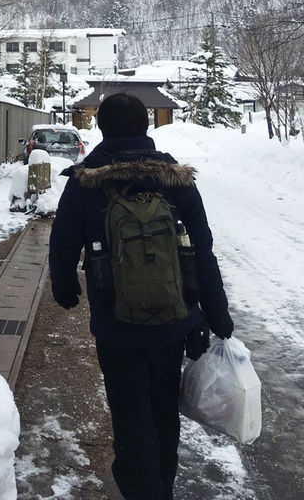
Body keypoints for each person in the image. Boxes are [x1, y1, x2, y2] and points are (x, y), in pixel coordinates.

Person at [48, 92, 234, 500]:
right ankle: (161, 487)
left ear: (101, 128)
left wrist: (64, 289)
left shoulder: (86, 180)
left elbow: (62, 244)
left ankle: (141, 489)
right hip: (174, 322)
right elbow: (201, 248)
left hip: (117, 326)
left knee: (130, 416)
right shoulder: (174, 178)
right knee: (164, 412)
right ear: (146, 128)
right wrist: (217, 315)